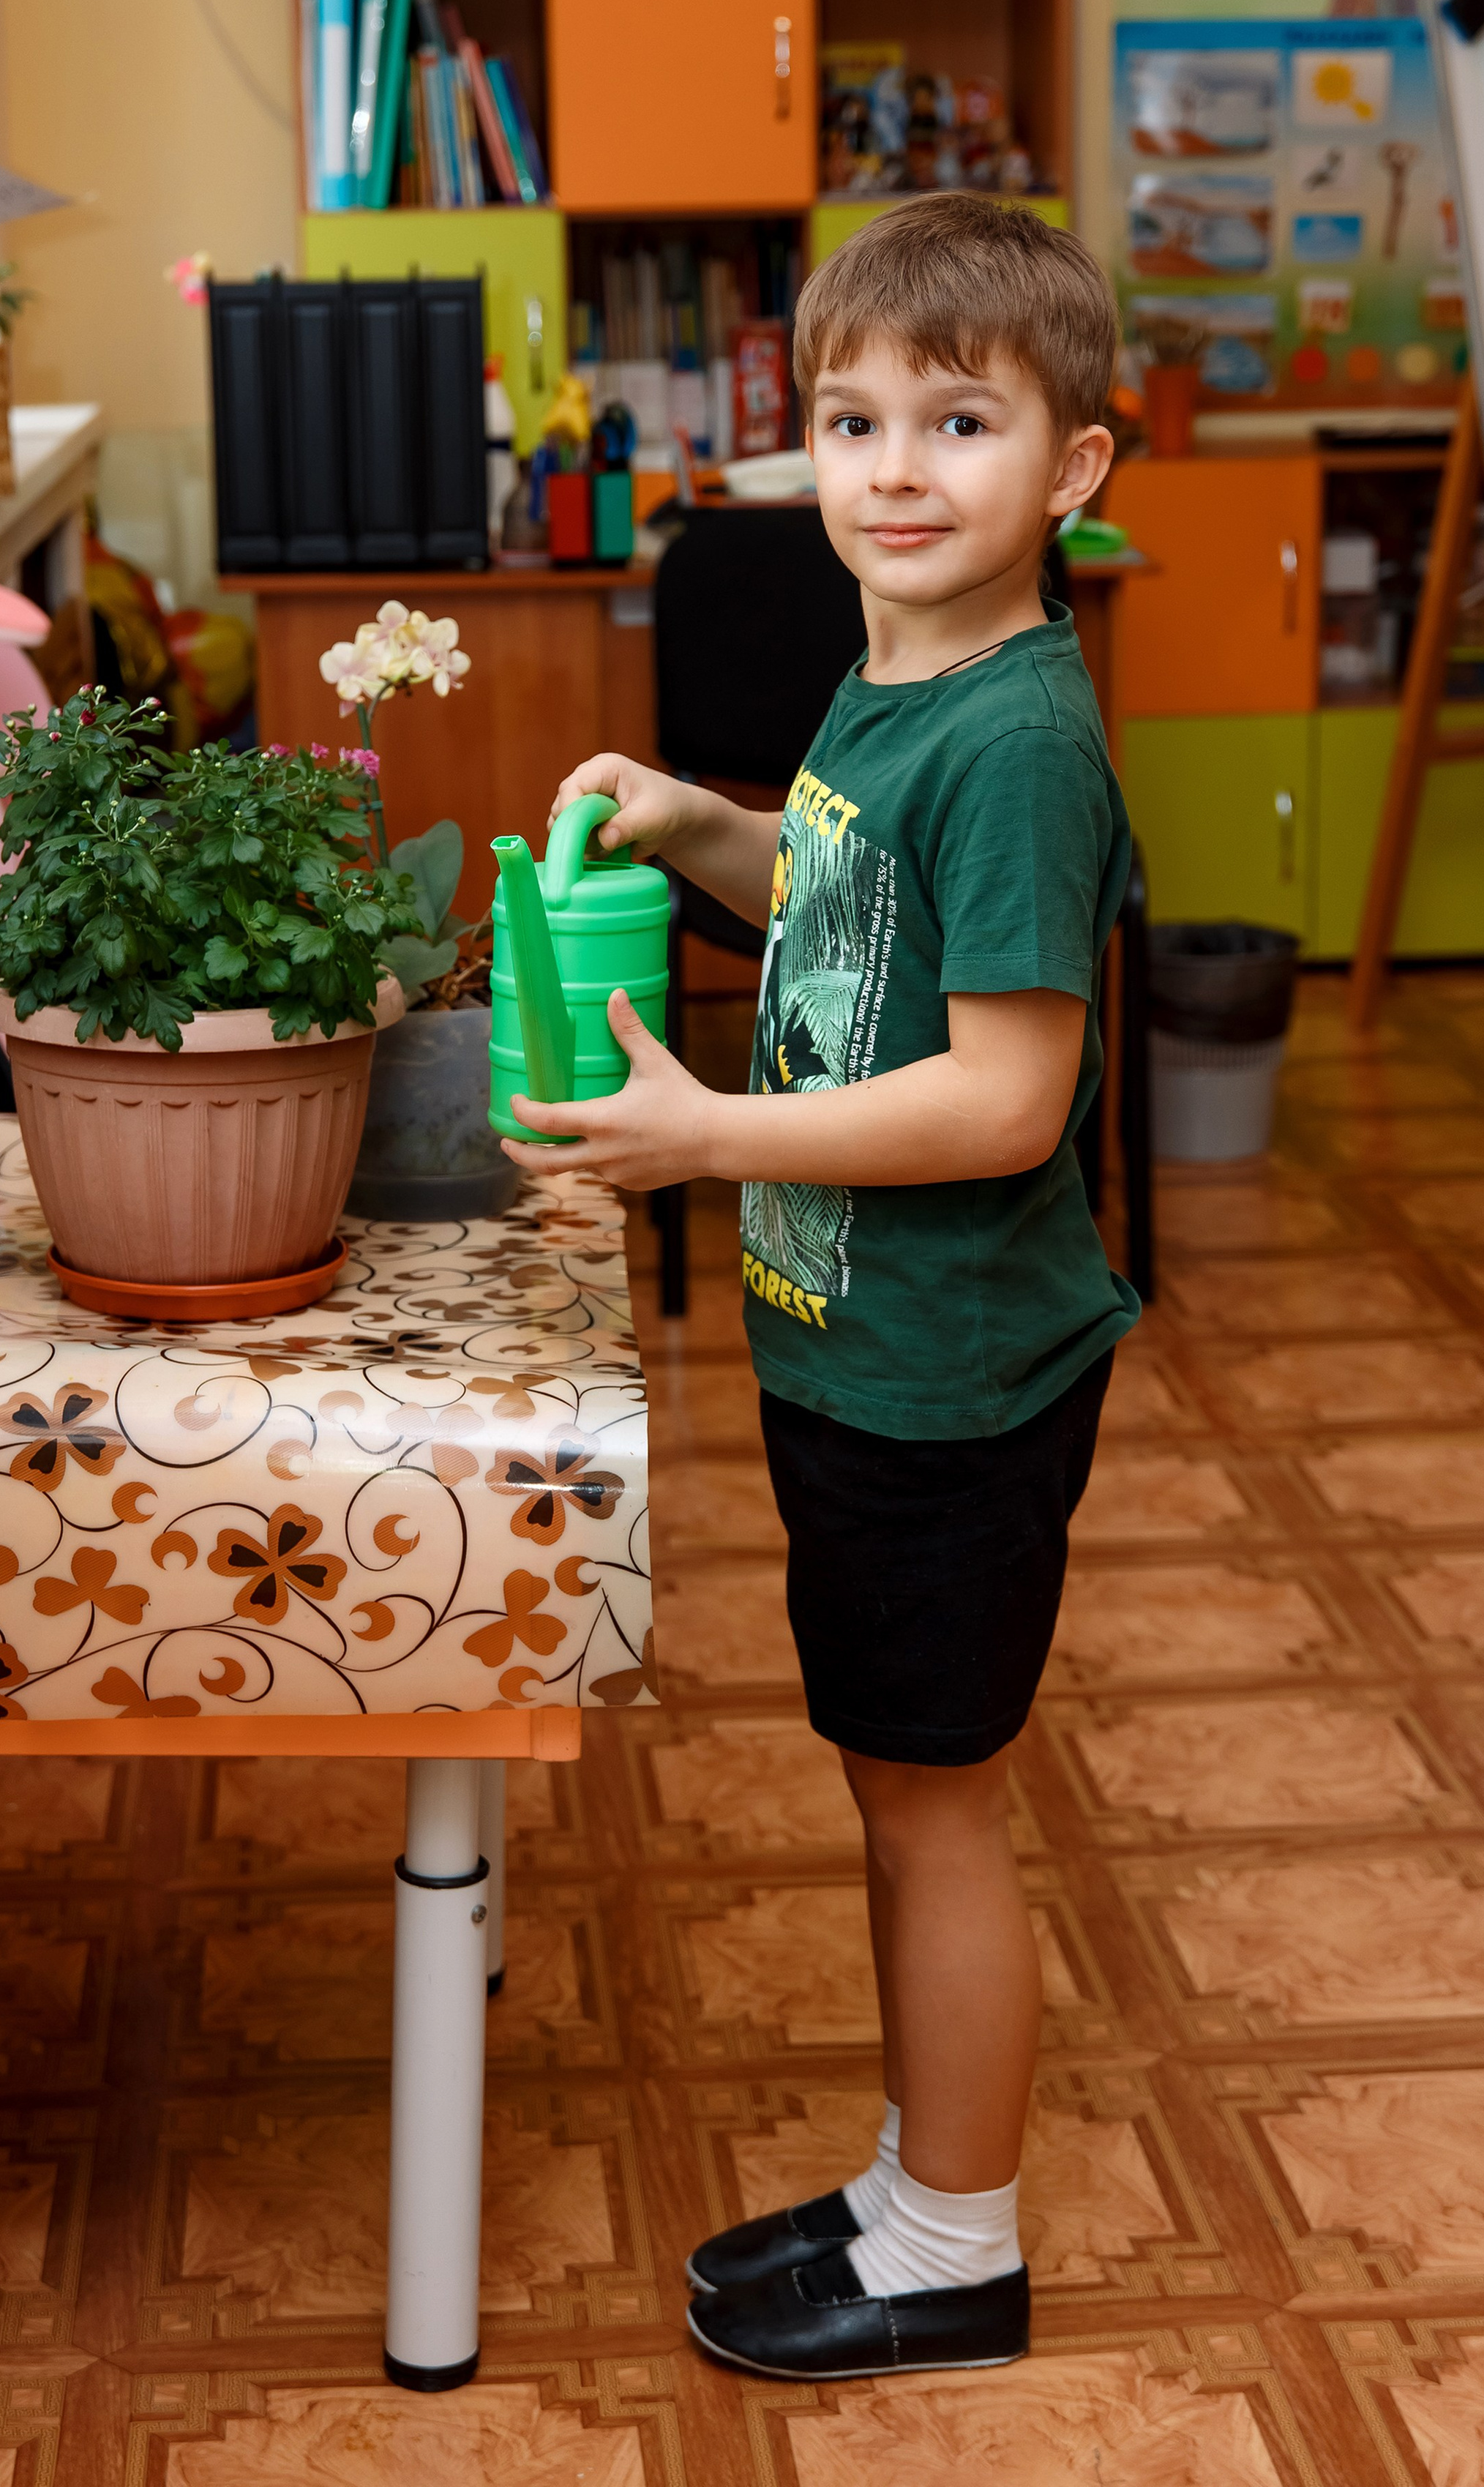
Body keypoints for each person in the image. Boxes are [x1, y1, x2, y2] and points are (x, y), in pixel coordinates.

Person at [503, 192, 1140, 2382]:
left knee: (937, 1811)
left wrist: (708, 1139)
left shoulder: (1022, 739)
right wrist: (698, 823)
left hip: (954, 1383)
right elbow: (854, 897)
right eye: (853, 420)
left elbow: (1006, 1100)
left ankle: (957, 2244)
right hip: (863, 1358)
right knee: (893, 1788)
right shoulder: (903, 672)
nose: (893, 470)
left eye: (960, 421)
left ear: (1071, 469)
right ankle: (911, 2182)